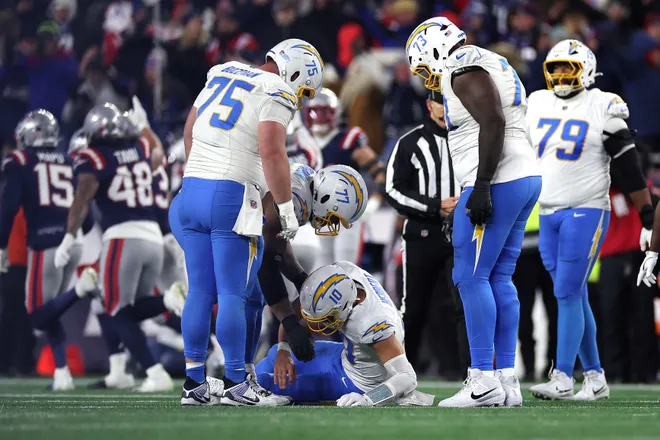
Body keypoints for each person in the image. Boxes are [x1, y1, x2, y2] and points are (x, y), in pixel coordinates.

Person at [177, 38, 323, 406]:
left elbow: (189, 129)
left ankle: (194, 383)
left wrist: (202, 173)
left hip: (191, 189)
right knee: (233, 294)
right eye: (303, 89)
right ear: (293, 71)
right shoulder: (276, 89)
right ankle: (237, 384)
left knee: (199, 292)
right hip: (231, 195)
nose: (300, 98)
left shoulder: (223, 69)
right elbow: (273, 152)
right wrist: (287, 209)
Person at [407, 17, 541, 408]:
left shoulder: (460, 64)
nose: (426, 75)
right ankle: (505, 379)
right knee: (499, 276)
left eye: (423, 64)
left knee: (469, 276)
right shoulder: (487, 58)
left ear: (432, 48)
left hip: (500, 179)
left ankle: (481, 378)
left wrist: (480, 186)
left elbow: (492, 120)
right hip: (522, 174)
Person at [527, 40, 654, 401]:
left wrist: (646, 211)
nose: (562, 75)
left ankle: (563, 375)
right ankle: (596, 377)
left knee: (566, 292)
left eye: (569, 67)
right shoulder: (535, 103)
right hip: (548, 211)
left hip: (586, 208)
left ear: (586, 69)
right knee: (573, 294)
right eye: (556, 69)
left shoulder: (602, 104)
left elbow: (628, 166)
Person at [57, 103, 175, 392]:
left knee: (114, 309)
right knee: (130, 309)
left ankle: (155, 372)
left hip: (124, 238)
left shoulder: (93, 156)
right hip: (153, 238)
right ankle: (170, 300)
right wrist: (145, 126)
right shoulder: (138, 148)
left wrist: (69, 237)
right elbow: (159, 154)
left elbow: (82, 199)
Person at [0, 110, 98, 390]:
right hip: (73, 244)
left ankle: (80, 290)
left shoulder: (20, 160)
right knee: (49, 310)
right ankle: (62, 373)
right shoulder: (70, 161)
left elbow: (8, 205)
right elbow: (87, 216)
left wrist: (1, 244)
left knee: (35, 311)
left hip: (45, 244)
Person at [255, 261, 434, 407]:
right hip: (344, 357)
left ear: (343, 309)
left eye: (326, 318)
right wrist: (283, 348)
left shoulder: (372, 323)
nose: (317, 324)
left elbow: (407, 378)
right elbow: (297, 310)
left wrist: (369, 398)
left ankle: (238, 388)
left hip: (357, 383)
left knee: (265, 383)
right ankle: (242, 382)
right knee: (274, 356)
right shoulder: (345, 272)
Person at [384, 89, 468, 378]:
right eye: (441, 102)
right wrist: (435, 206)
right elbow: (393, 190)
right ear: (428, 104)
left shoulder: (471, 138)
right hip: (422, 233)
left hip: (464, 233)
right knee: (414, 308)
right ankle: (402, 376)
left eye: (451, 102)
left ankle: (473, 374)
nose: (446, 109)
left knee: (465, 305)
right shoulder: (410, 142)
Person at [302, 88, 386, 265]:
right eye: (314, 111)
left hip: (347, 217)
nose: (319, 117)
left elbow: (380, 174)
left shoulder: (348, 139)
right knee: (320, 272)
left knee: (345, 269)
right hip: (317, 217)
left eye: (324, 111)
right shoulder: (302, 141)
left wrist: (373, 203)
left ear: (335, 113)